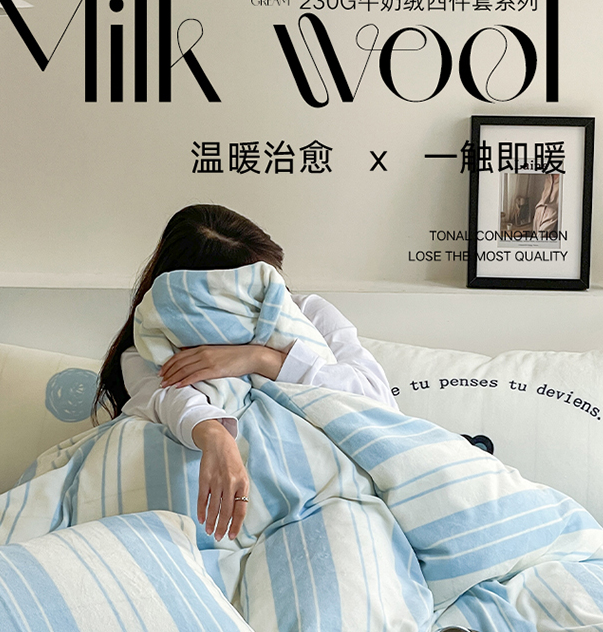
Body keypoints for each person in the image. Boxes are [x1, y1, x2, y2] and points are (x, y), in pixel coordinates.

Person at [94, 204, 397, 542]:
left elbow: (377, 400)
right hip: (203, 515)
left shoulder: (309, 313)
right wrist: (215, 435)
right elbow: (166, 398)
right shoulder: (148, 347)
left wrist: (260, 359)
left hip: (325, 498)